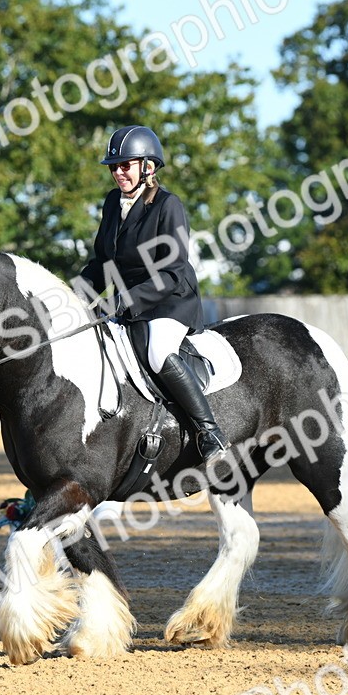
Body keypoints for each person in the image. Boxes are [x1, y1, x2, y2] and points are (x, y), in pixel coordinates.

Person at [77, 124, 230, 469]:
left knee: (159, 351)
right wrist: (70, 297)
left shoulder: (167, 205)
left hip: (169, 301)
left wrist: (122, 301)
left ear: (148, 166)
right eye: (114, 167)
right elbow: (104, 263)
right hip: (127, 305)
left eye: (125, 165)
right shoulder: (113, 206)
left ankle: (210, 432)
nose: (117, 172)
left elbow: (172, 269)